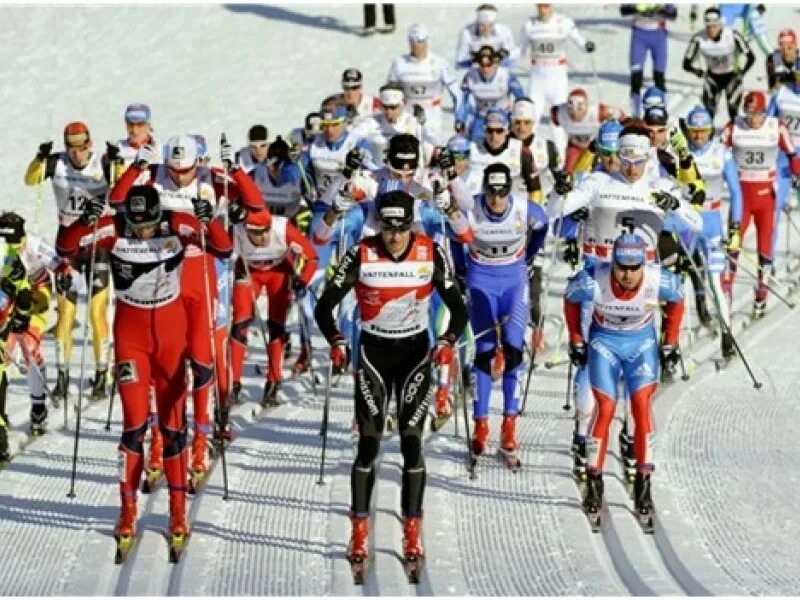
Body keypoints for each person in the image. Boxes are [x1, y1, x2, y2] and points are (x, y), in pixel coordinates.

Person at [56, 184, 232, 551]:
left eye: (149, 224)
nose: (144, 232)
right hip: (131, 340)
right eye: (137, 226)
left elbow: (224, 248)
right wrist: (80, 223)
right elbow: (66, 249)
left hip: (171, 338)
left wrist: (210, 219)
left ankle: (178, 510)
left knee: (172, 428)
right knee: (134, 427)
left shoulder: (177, 223)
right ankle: (128, 510)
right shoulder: (114, 226)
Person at [314, 190, 468, 565]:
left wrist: (448, 339)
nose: (395, 236)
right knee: (369, 443)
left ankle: (412, 530)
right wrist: (336, 339)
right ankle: (359, 529)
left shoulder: (430, 252)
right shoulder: (362, 252)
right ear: (378, 224)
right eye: (388, 228)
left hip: (415, 354)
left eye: (401, 228)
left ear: (411, 224)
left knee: (412, 442)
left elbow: (459, 309)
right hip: (372, 353)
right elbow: (324, 307)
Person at [110, 134, 263, 485]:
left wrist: (237, 172)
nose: (179, 177)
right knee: (164, 367)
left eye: (186, 170)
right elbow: (118, 200)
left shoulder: (211, 178)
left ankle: (200, 440)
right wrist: (137, 166)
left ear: (199, 161)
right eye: (174, 170)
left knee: (202, 357)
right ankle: (159, 441)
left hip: (204, 277)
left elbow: (254, 206)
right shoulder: (154, 176)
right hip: (168, 281)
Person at [564, 232, 684, 520]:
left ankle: (644, 483)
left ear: (644, 264)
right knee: (605, 407)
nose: (628, 275)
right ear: (613, 263)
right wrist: (576, 340)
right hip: (604, 343)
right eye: (622, 267)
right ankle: (594, 480)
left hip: (641, 345)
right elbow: (569, 298)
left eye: (634, 268)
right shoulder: (594, 277)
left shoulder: (658, 280)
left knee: (641, 405)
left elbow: (678, 300)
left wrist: (670, 341)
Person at [456, 163, 548, 458]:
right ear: (484, 189)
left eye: (502, 192)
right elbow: (454, 233)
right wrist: (460, 270)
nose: (497, 199)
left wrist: (530, 256)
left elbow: (543, 224)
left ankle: (509, 423)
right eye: (492, 192)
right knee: (484, 348)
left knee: (512, 347)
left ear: (510, 190)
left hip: (513, 279)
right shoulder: (471, 209)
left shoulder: (523, 209)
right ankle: (481, 422)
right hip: (480, 277)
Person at [23, 121, 113, 404]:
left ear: (91, 144)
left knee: (97, 312)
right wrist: (39, 158)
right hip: (68, 247)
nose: (77, 154)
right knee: (66, 313)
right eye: (71, 148)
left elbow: (124, 186)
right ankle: (62, 375)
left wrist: (120, 163)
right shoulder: (56, 163)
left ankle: (102, 373)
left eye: (82, 147)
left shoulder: (104, 162)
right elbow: (30, 180)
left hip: (98, 245)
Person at [0, 212, 84, 434]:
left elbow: (63, 267)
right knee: (4, 352)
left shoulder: (35, 245)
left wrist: (65, 277)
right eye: (8, 245)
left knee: (28, 345)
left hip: (38, 295)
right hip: (9, 297)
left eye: (17, 245)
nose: (13, 250)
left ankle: (38, 407)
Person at [721, 90, 800, 319]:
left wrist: (795, 170)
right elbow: (717, 151)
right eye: (748, 113)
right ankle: (726, 292)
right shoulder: (733, 128)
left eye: (756, 114)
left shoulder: (776, 127)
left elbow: (792, 153)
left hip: (766, 198)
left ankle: (761, 295)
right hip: (741, 200)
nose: (752, 119)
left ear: (764, 112)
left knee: (764, 249)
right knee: (733, 246)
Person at [229, 206, 318, 406]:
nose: (260, 238)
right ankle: (233, 382)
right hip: (248, 269)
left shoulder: (283, 228)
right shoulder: (237, 229)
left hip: (278, 271)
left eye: (264, 232)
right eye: (254, 233)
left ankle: (273, 380)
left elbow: (312, 257)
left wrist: (302, 280)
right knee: (240, 323)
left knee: (275, 325)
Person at [684, 105, 742, 358]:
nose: (698, 137)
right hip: (686, 223)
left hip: (711, 224)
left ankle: (727, 334)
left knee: (715, 281)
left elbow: (737, 192)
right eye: (694, 132)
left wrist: (735, 227)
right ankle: (671, 348)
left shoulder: (722, 153)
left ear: (710, 130)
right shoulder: (681, 152)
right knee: (677, 282)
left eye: (703, 131)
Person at [386, 23, 461, 145]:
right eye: (413, 42)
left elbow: (456, 92)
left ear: (426, 42)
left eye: (420, 42)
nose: (417, 46)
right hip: (407, 111)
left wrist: (459, 116)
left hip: (432, 112)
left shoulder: (439, 63)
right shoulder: (399, 63)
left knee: (432, 146)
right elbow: (390, 92)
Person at [518, 4, 595, 121]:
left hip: (557, 78)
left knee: (559, 120)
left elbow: (578, 39)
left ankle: (560, 140)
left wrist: (586, 45)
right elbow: (519, 50)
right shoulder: (529, 25)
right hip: (537, 78)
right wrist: (503, 55)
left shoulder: (564, 22)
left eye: (546, 6)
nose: (543, 10)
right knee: (531, 116)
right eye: (540, 6)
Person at [682, 7, 755, 121]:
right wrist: (698, 72)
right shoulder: (698, 38)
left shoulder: (732, 35)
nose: (711, 30)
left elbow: (751, 57)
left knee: (733, 111)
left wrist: (742, 73)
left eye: (714, 26)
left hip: (732, 77)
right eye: (708, 27)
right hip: (712, 78)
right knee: (708, 113)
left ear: (720, 24)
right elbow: (686, 64)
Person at [455, 45, 526, 142]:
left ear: (496, 63)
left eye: (489, 65)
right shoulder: (470, 76)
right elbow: (463, 101)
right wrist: (460, 120)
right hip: (482, 118)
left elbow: (521, 99)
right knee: (475, 146)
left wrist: (520, 119)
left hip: (504, 117)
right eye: (482, 65)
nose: (485, 69)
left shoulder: (506, 75)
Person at [619, 4, 678, 116]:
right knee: (636, 78)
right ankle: (635, 115)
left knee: (659, 76)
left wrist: (657, 9)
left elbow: (673, 14)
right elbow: (623, 9)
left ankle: (662, 113)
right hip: (639, 35)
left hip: (658, 35)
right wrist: (636, 8)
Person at [767, 68, 800, 261]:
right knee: (773, 209)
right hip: (783, 158)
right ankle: (767, 260)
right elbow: (768, 123)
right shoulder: (781, 93)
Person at [551, 88, 621, 173]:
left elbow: (620, 116)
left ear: (587, 106)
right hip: (575, 146)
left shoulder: (599, 111)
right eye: (571, 111)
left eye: (579, 109)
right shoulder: (559, 113)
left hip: (595, 147)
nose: (575, 114)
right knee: (568, 172)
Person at [107, 103, 159, 183]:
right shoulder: (117, 149)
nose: (134, 130)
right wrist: (108, 162)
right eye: (130, 125)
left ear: (148, 126)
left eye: (139, 125)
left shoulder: (160, 149)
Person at [455, 4, 517, 70]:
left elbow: (511, 51)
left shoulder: (504, 31)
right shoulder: (466, 32)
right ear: (477, 23)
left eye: (490, 25)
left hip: (498, 62)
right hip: (475, 63)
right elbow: (460, 56)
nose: (486, 29)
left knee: (510, 62)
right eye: (482, 25)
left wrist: (497, 59)